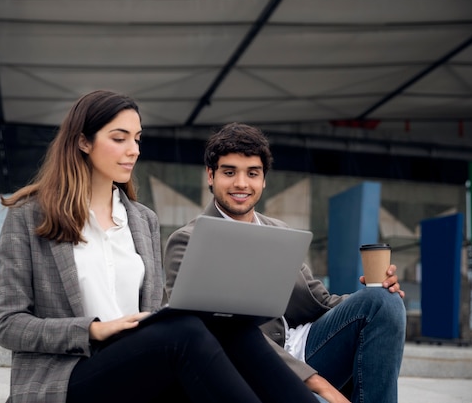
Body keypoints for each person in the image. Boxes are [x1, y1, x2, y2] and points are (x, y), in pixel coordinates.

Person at [0, 90, 319, 403]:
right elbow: (8, 325)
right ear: (83, 141)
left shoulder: (141, 219)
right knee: (186, 331)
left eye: (137, 139)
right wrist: (94, 330)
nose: (133, 149)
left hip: (141, 366)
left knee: (232, 327)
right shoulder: (29, 215)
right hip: (68, 378)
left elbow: (151, 310)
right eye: (119, 138)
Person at [164, 122, 407, 403]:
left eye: (252, 173)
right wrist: (316, 383)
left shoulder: (279, 231)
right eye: (229, 172)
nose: (241, 183)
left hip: (304, 348)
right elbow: (214, 333)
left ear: (264, 180)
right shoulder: (188, 240)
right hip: (244, 369)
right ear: (211, 175)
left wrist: (374, 294)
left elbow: (321, 302)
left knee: (385, 301)